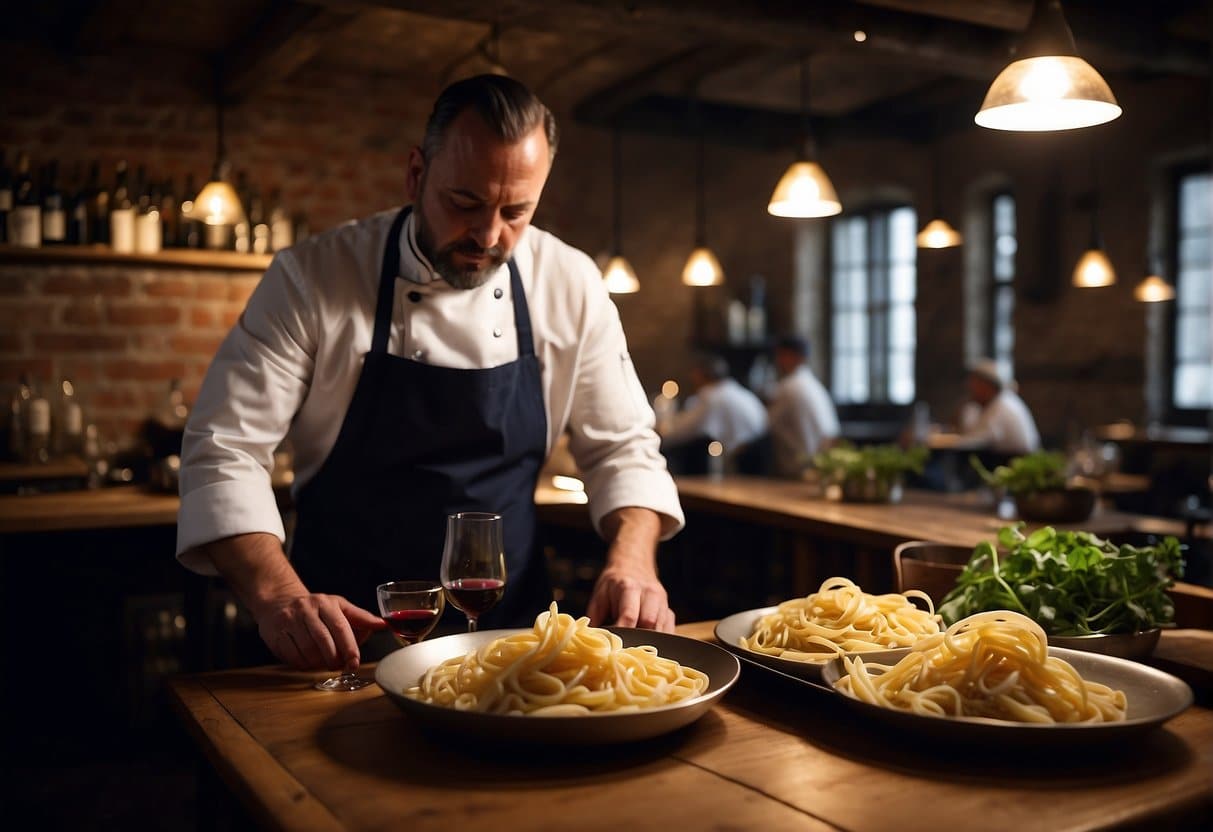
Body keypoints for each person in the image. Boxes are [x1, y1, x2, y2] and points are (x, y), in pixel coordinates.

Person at [175, 75, 685, 674]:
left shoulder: (570, 283)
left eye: (515, 212)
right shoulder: (312, 278)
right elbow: (224, 448)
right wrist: (278, 596)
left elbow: (624, 448)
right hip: (343, 638)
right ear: (416, 174)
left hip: (514, 639)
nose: (489, 236)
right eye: (464, 203)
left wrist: (632, 560)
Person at [658, 352, 768, 470]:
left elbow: (686, 429)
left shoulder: (712, 396)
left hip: (745, 458)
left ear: (700, 374)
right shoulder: (732, 389)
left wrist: (660, 436)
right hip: (762, 450)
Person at [766, 335, 839, 478]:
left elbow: (765, 424)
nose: (777, 360)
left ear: (791, 356)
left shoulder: (788, 387)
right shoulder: (813, 384)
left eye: (780, 355)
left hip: (798, 469)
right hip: (819, 465)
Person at [953, 358, 1041, 455]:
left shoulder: (1001, 406)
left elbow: (978, 440)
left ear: (985, 386)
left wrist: (952, 442)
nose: (970, 390)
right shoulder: (1002, 400)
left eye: (974, 385)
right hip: (1010, 458)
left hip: (1018, 461)